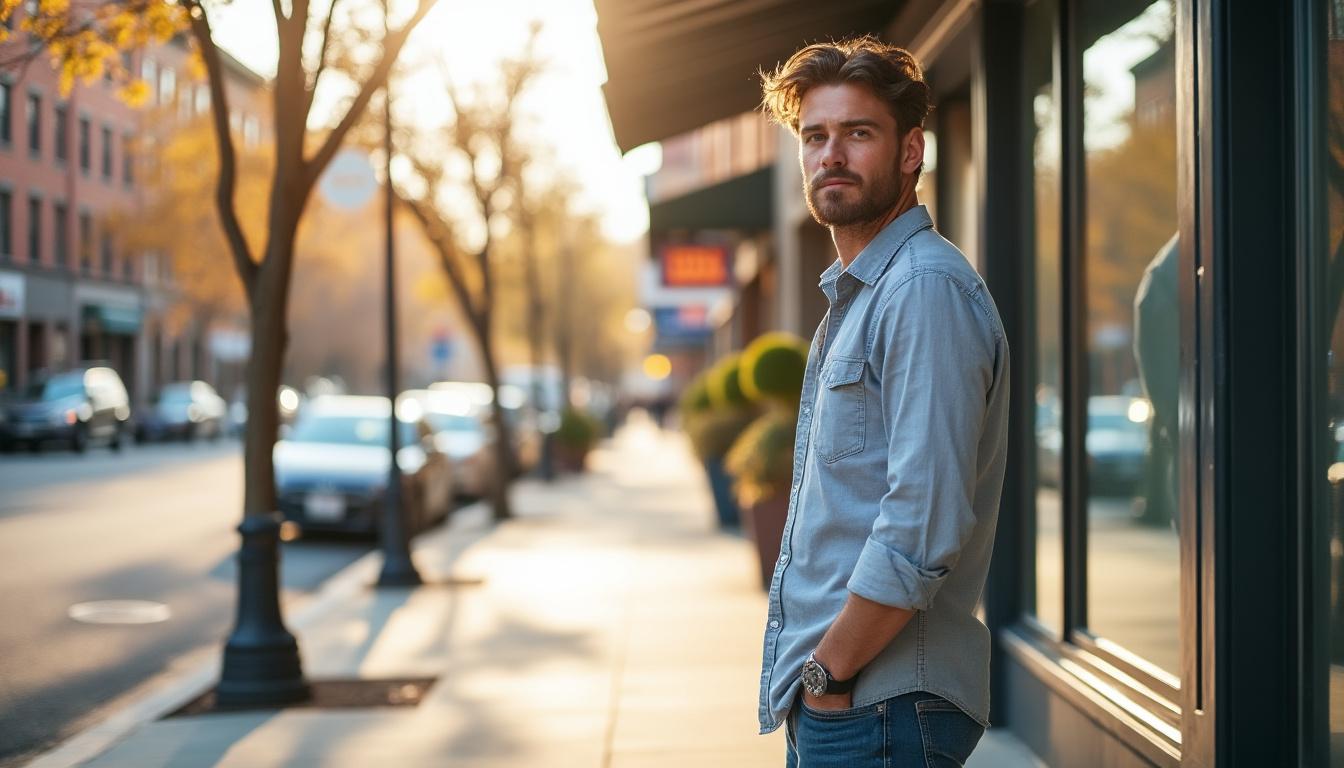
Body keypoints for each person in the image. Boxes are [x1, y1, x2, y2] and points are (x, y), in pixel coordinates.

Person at [756, 37, 1011, 767]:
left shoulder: (921, 291)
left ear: (910, 153)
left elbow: (922, 522)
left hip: (881, 706)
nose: (831, 154)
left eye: (858, 133)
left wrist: (826, 677)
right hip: (857, 704)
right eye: (815, 136)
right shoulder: (864, 295)